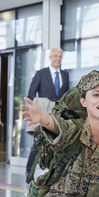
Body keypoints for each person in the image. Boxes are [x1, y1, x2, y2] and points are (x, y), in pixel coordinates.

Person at [25, 48, 69, 183]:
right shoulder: (41, 73)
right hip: (43, 112)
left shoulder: (65, 75)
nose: (57, 58)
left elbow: (66, 96)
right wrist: (31, 112)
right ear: (50, 57)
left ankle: (55, 175)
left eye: (60, 56)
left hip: (58, 114)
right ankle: (29, 173)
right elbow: (31, 93)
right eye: (55, 56)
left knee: (58, 143)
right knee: (38, 143)